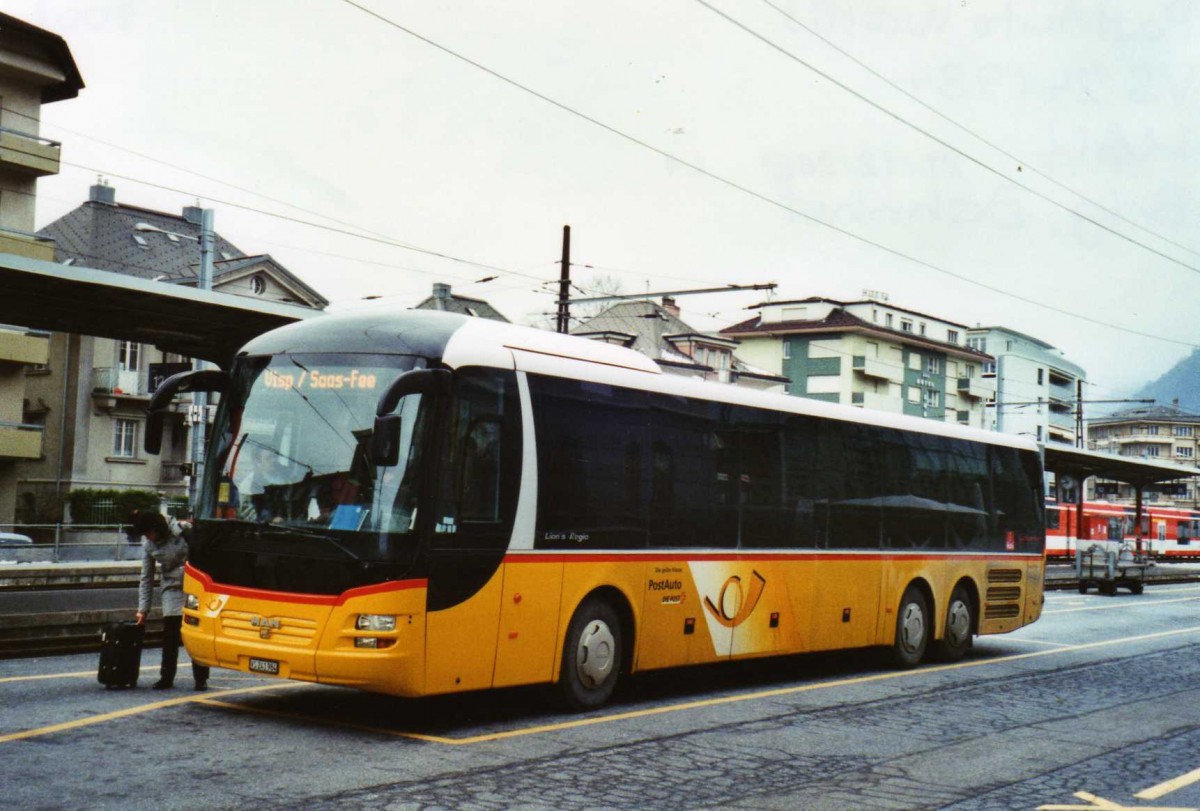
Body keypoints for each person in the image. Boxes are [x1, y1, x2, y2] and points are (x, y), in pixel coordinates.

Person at [133, 511, 209, 691]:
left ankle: (201, 678)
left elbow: (202, 554)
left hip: (193, 585)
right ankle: (166, 677)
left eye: (148, 532)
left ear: (157, 528)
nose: (147, 537)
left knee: (195, 630)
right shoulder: (149, 546)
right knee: (170, 633)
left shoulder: (183, 531)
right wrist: (143, 610)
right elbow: (146, 578)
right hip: (171, 587)